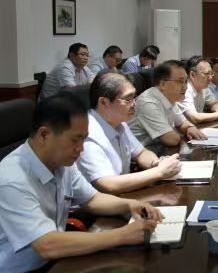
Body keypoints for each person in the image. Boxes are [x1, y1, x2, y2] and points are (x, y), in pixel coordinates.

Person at [0, 93, 162, 272]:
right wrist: (123, 235)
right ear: (44, 135)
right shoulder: (12, 180)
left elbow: (92, 199)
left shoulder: (60, 161)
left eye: (84, 138)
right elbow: (46, 245)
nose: (81, 148)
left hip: (57, 259)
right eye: (75, 139)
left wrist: (130, 204)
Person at [77, 73, 182, 194]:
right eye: (128, 99)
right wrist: (159, 172)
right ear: (104, 102)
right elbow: (107, 184)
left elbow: (141, 153)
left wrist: (156, 163)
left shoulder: (119, 122)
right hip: (101, 202)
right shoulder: (87, 133)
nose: (134, 104)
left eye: (134, 97)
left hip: (122, 196)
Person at [128, 60, 206, 153]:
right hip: (138, 155)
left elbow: (182, 123)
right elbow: (171, 139)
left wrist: (190, 127)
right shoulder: (148, 103)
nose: (185, 87)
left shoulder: (170, 98)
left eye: (186, 81)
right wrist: (183, 132)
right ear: (163, 84)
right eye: (180, 81)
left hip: (157, 149)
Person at [177, 56, 218, 124]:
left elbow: (214, 103)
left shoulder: (204, 87)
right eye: (207, 74)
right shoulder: (185, 90)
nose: (210, 77)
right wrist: (217, 115)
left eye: (211, 73)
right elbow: (194, 118)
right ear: (192, 75)